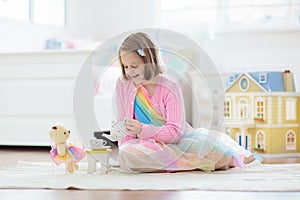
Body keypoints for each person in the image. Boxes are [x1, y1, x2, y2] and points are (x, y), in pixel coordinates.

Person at [113, 32, 261, 173]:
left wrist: (142, 129)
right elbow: (123, 124)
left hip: (176, 142)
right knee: (128, 154)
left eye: (134, 66)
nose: (129, 72)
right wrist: (125, 150)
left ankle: (191, 162)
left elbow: (175, 132)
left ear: (150, 61)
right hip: (145, 145)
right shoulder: (123, 85)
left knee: (215, 153)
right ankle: (188, 164)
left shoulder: (170, 87)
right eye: (125, 67)